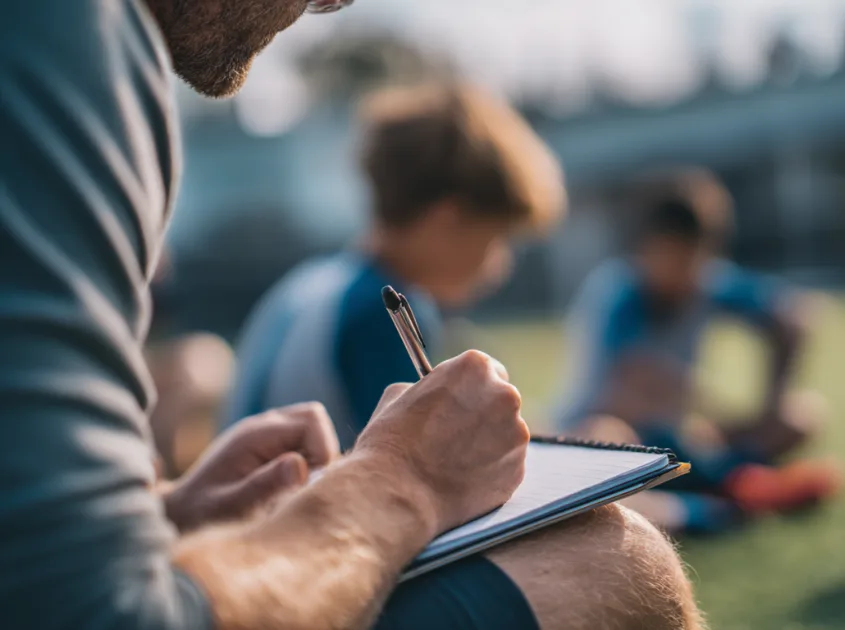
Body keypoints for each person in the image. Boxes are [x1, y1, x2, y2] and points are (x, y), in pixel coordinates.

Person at [0, 2, 702, 630]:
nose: (339, 2)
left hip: (246, 534)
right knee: (621, 554)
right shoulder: (66, 38)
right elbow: (96, 609)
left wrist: (161, 513)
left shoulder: (319, 282)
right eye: (496, 241)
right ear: (448, 218)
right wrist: (410, 481)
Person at [224, 82, 562, 447]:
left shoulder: (310, 285)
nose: (502, 265)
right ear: (447, 220)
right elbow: (428, 469)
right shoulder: (383, 312)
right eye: (497, 237)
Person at [556, 168, 843, 534]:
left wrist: (767, 406)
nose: (681, 273)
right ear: (645, 250)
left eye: (691, 259)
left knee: (800, 417)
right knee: (605, 436)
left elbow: (795, 317)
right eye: (670, 258)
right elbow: (626, 391)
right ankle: (726, 499)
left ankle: (730, 484)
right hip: (617, 439)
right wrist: (701, 408)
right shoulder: (618, 293)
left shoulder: (709, 283)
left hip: (684, 438)